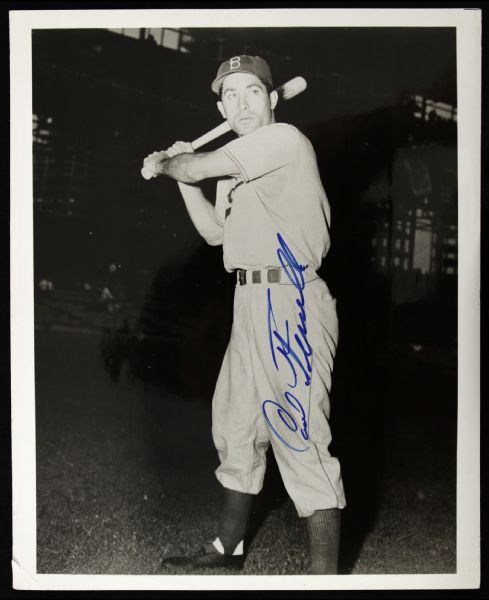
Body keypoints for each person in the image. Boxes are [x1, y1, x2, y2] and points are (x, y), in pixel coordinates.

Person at [142, 55, 346, 575]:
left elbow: (194, 165)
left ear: (273, 99)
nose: (241, 103)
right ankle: (228, 549)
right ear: (221, 106)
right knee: (235, 424)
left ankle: (326, 582)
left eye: (252, 92)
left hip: (293, 300)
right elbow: (215, 232)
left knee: (299, 436)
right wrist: (184, 174)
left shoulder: (285, 141)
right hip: (249, 299)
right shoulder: (234, 162)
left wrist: (172, 163)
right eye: (230, 96)